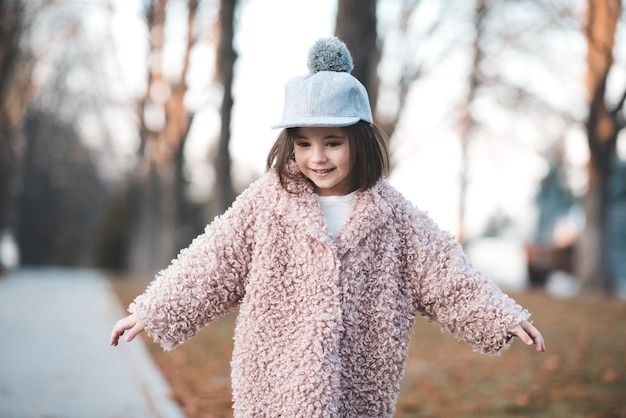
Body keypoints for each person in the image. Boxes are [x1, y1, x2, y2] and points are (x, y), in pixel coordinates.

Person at [110, 37, 545, 417]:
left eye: (332, 143)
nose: (317, 157)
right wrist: (155, 309)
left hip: (358, 383)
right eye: (304, 143)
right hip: (275, 380)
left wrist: (500, 316)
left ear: (359, 141)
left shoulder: (393, 215)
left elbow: (447, 273)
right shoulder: (268, 202)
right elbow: (213, 260)